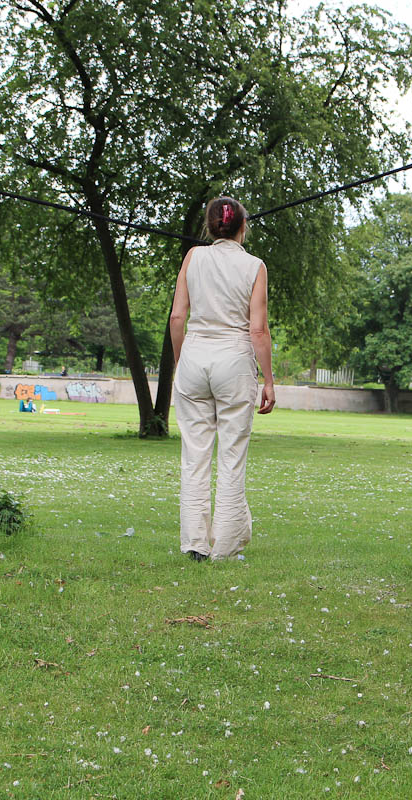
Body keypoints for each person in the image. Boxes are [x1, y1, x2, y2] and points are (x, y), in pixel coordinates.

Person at [169, 196, 276, 563]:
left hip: (195, 358)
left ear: (209, 226)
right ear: (242, 226)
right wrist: (269, 381)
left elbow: (177, 318)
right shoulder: (255, 266)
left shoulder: (192, 257)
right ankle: (226, 548)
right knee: (232, 457)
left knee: (194, 457)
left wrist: (182, 361)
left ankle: (195, 544)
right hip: (234, 360)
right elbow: (258, 330)